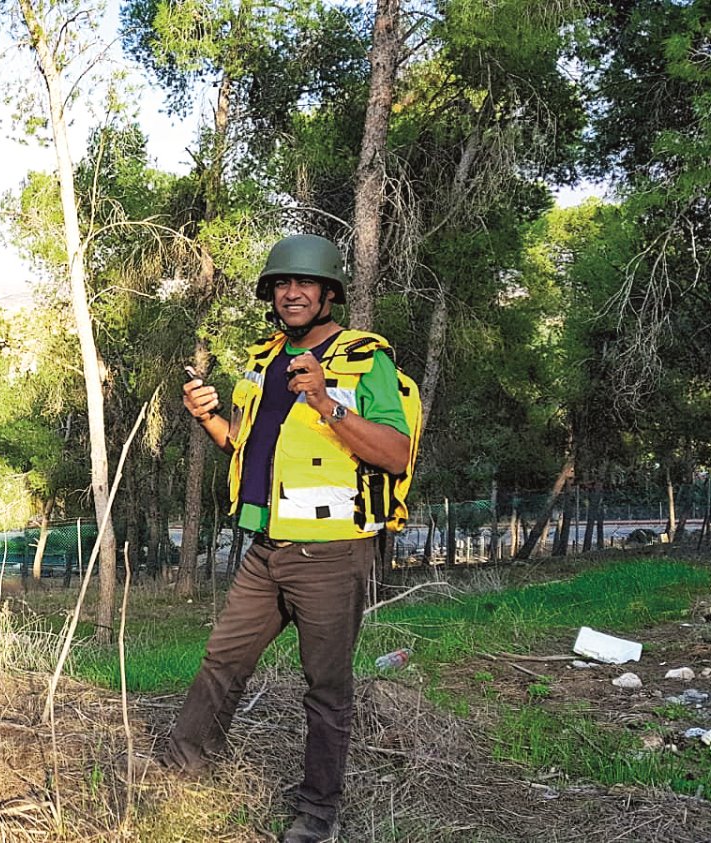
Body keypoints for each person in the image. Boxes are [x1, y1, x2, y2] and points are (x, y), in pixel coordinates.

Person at [159, 233, 413, 843]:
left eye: (305, 284)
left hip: (331, 552)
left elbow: (397, 453)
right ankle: (181, 765)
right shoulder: (266, 359)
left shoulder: (363, 361)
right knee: (224, 658)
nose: (291, 292)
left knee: (325, 687)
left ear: (329, 293)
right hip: (266, 547)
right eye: (281, 284)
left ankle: (317, 813)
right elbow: (239, 445)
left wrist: (327, 400)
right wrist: (206, 415)